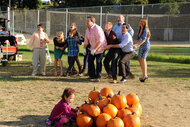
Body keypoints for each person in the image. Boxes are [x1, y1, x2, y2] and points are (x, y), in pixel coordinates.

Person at [83, 16, 107, 81]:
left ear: (92, 22)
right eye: (86, 21)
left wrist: (95, 49)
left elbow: (101, 41)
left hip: (100, 48)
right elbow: (86, 40)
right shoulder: (87, 29)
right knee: (90, 60)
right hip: (93, 48)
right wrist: (84, 49)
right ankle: (92, 75)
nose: (86, 23)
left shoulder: (97, 29)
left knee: (98, 61)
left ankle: (98, 76)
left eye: (88, 21)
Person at [134, 18, 151, 82]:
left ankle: (145, 75)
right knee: (140, 59)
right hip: (141, 45)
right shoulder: (140, 29)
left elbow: (143, 40)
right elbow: (137, 39)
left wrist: (137, 45)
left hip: (145, 45)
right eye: (139, 21)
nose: (140, 22)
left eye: (141, 21)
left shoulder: (145, 30)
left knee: (143, 59)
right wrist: (131, 43)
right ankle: (143, 75)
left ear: (144, 23)